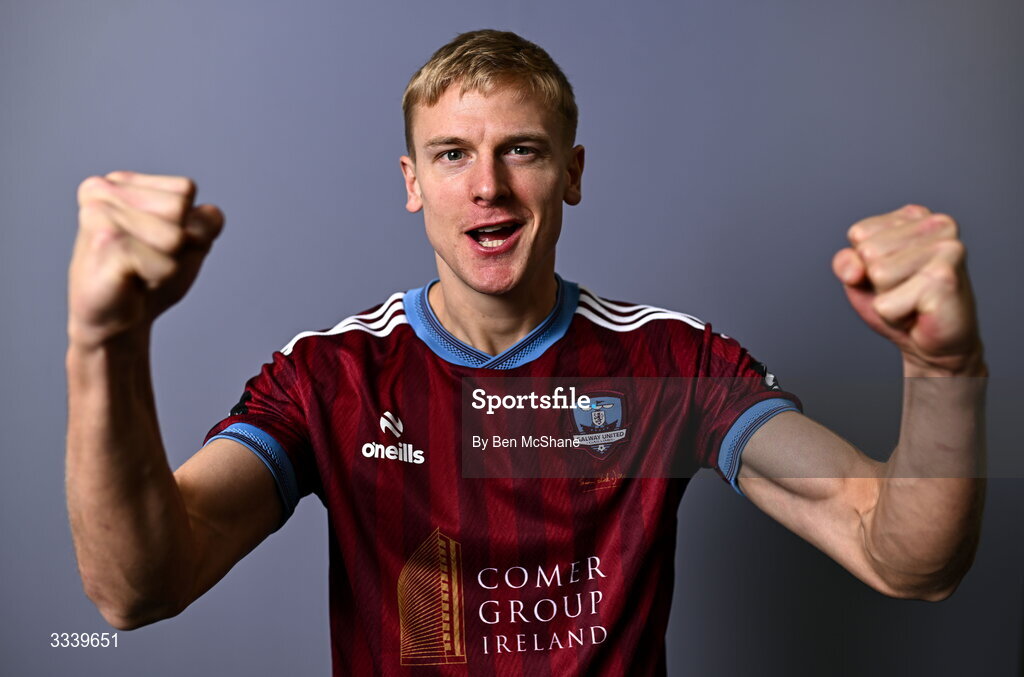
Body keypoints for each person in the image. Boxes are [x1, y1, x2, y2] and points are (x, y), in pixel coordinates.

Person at [65, 29, 987, 676]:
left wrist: (945, 374)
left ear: (571, 174)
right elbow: (140, 586)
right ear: (413, 183)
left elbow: (904, 555)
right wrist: (104, 346)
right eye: (453, 155)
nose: (489, 187)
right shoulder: (330, 377)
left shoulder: (668, 365)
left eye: (522, 150)